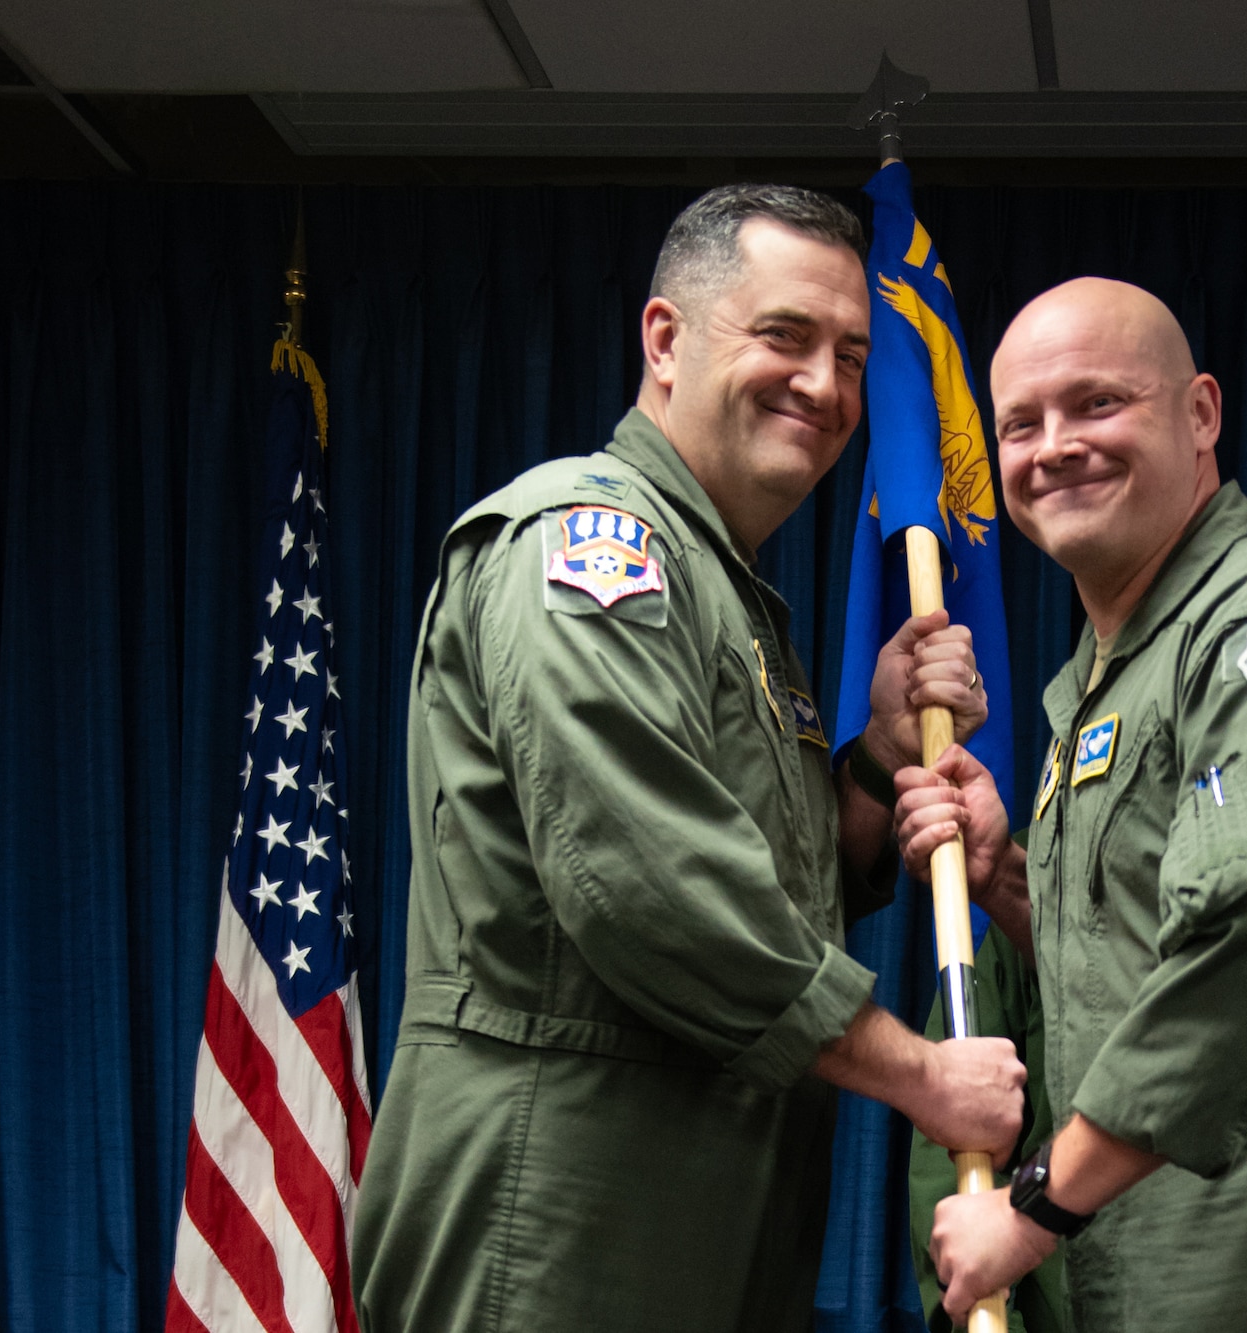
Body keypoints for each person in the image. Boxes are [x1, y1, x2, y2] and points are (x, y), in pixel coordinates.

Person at [352, 185, 1026, 1333]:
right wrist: (919, 1074)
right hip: (562, 1217)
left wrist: (869, 765)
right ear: (665, 339)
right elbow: (648, 883)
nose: (825, 383)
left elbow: (776, 879)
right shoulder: (588, 547)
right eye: (784, 335)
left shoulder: (723, 591)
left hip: (690, 1222)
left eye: (853, 354)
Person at [895, 277, 1247, 1331]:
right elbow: (1139, 963)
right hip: (1145, 1245)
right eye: (1019, 423)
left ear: (1199, 413)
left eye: (1096, 404)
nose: (1052, 445)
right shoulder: (1111, 676)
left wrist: (1031, 1211)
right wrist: (1009, 883)